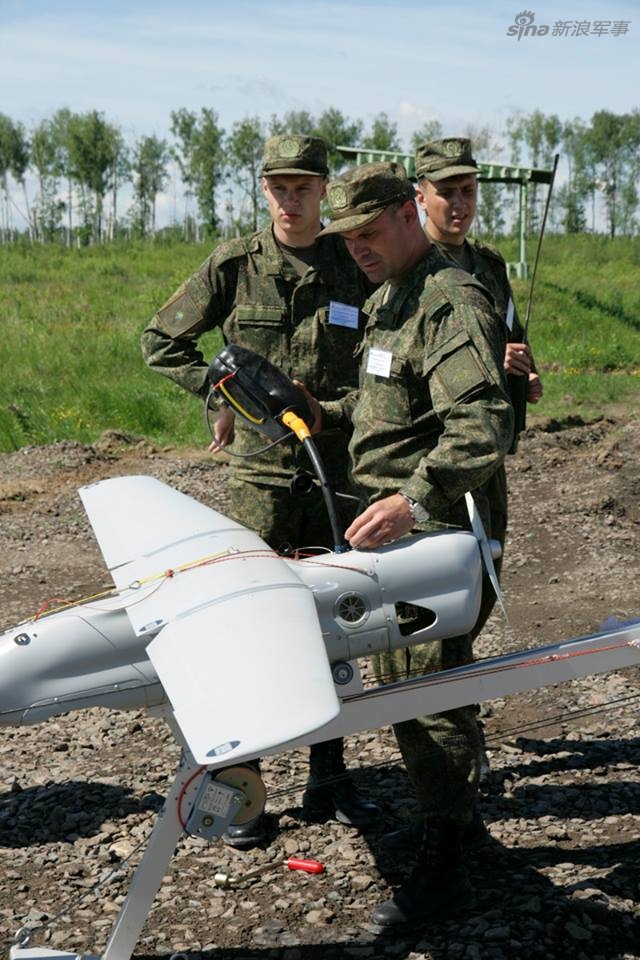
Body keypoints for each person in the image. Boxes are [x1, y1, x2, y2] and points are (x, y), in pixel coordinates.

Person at [141, 134, 380, 848]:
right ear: (264, 189)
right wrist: (220, 393)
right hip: (261, 482)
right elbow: (161, 342)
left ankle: (330, 777)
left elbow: (388, 354)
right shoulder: (234, 265)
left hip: (335, 473)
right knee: (245, 626)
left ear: (323, 189)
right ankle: (241, 785)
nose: (290, 200)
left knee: (335, 623)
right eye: (279, 187)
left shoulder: (354, 261)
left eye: (303, 187)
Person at [307, 161, 514, 927]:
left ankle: (447, 869)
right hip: (399, 528)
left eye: (367, 231)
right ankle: (455, 827)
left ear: (404, 214)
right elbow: (390, 404)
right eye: (345, 238)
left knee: (424, 698)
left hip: (439, 531)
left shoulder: (447, 299)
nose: (357, 247)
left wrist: (412, 499)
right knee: (414, 688)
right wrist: (323, 412)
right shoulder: (390, 296)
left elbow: (484, 423)